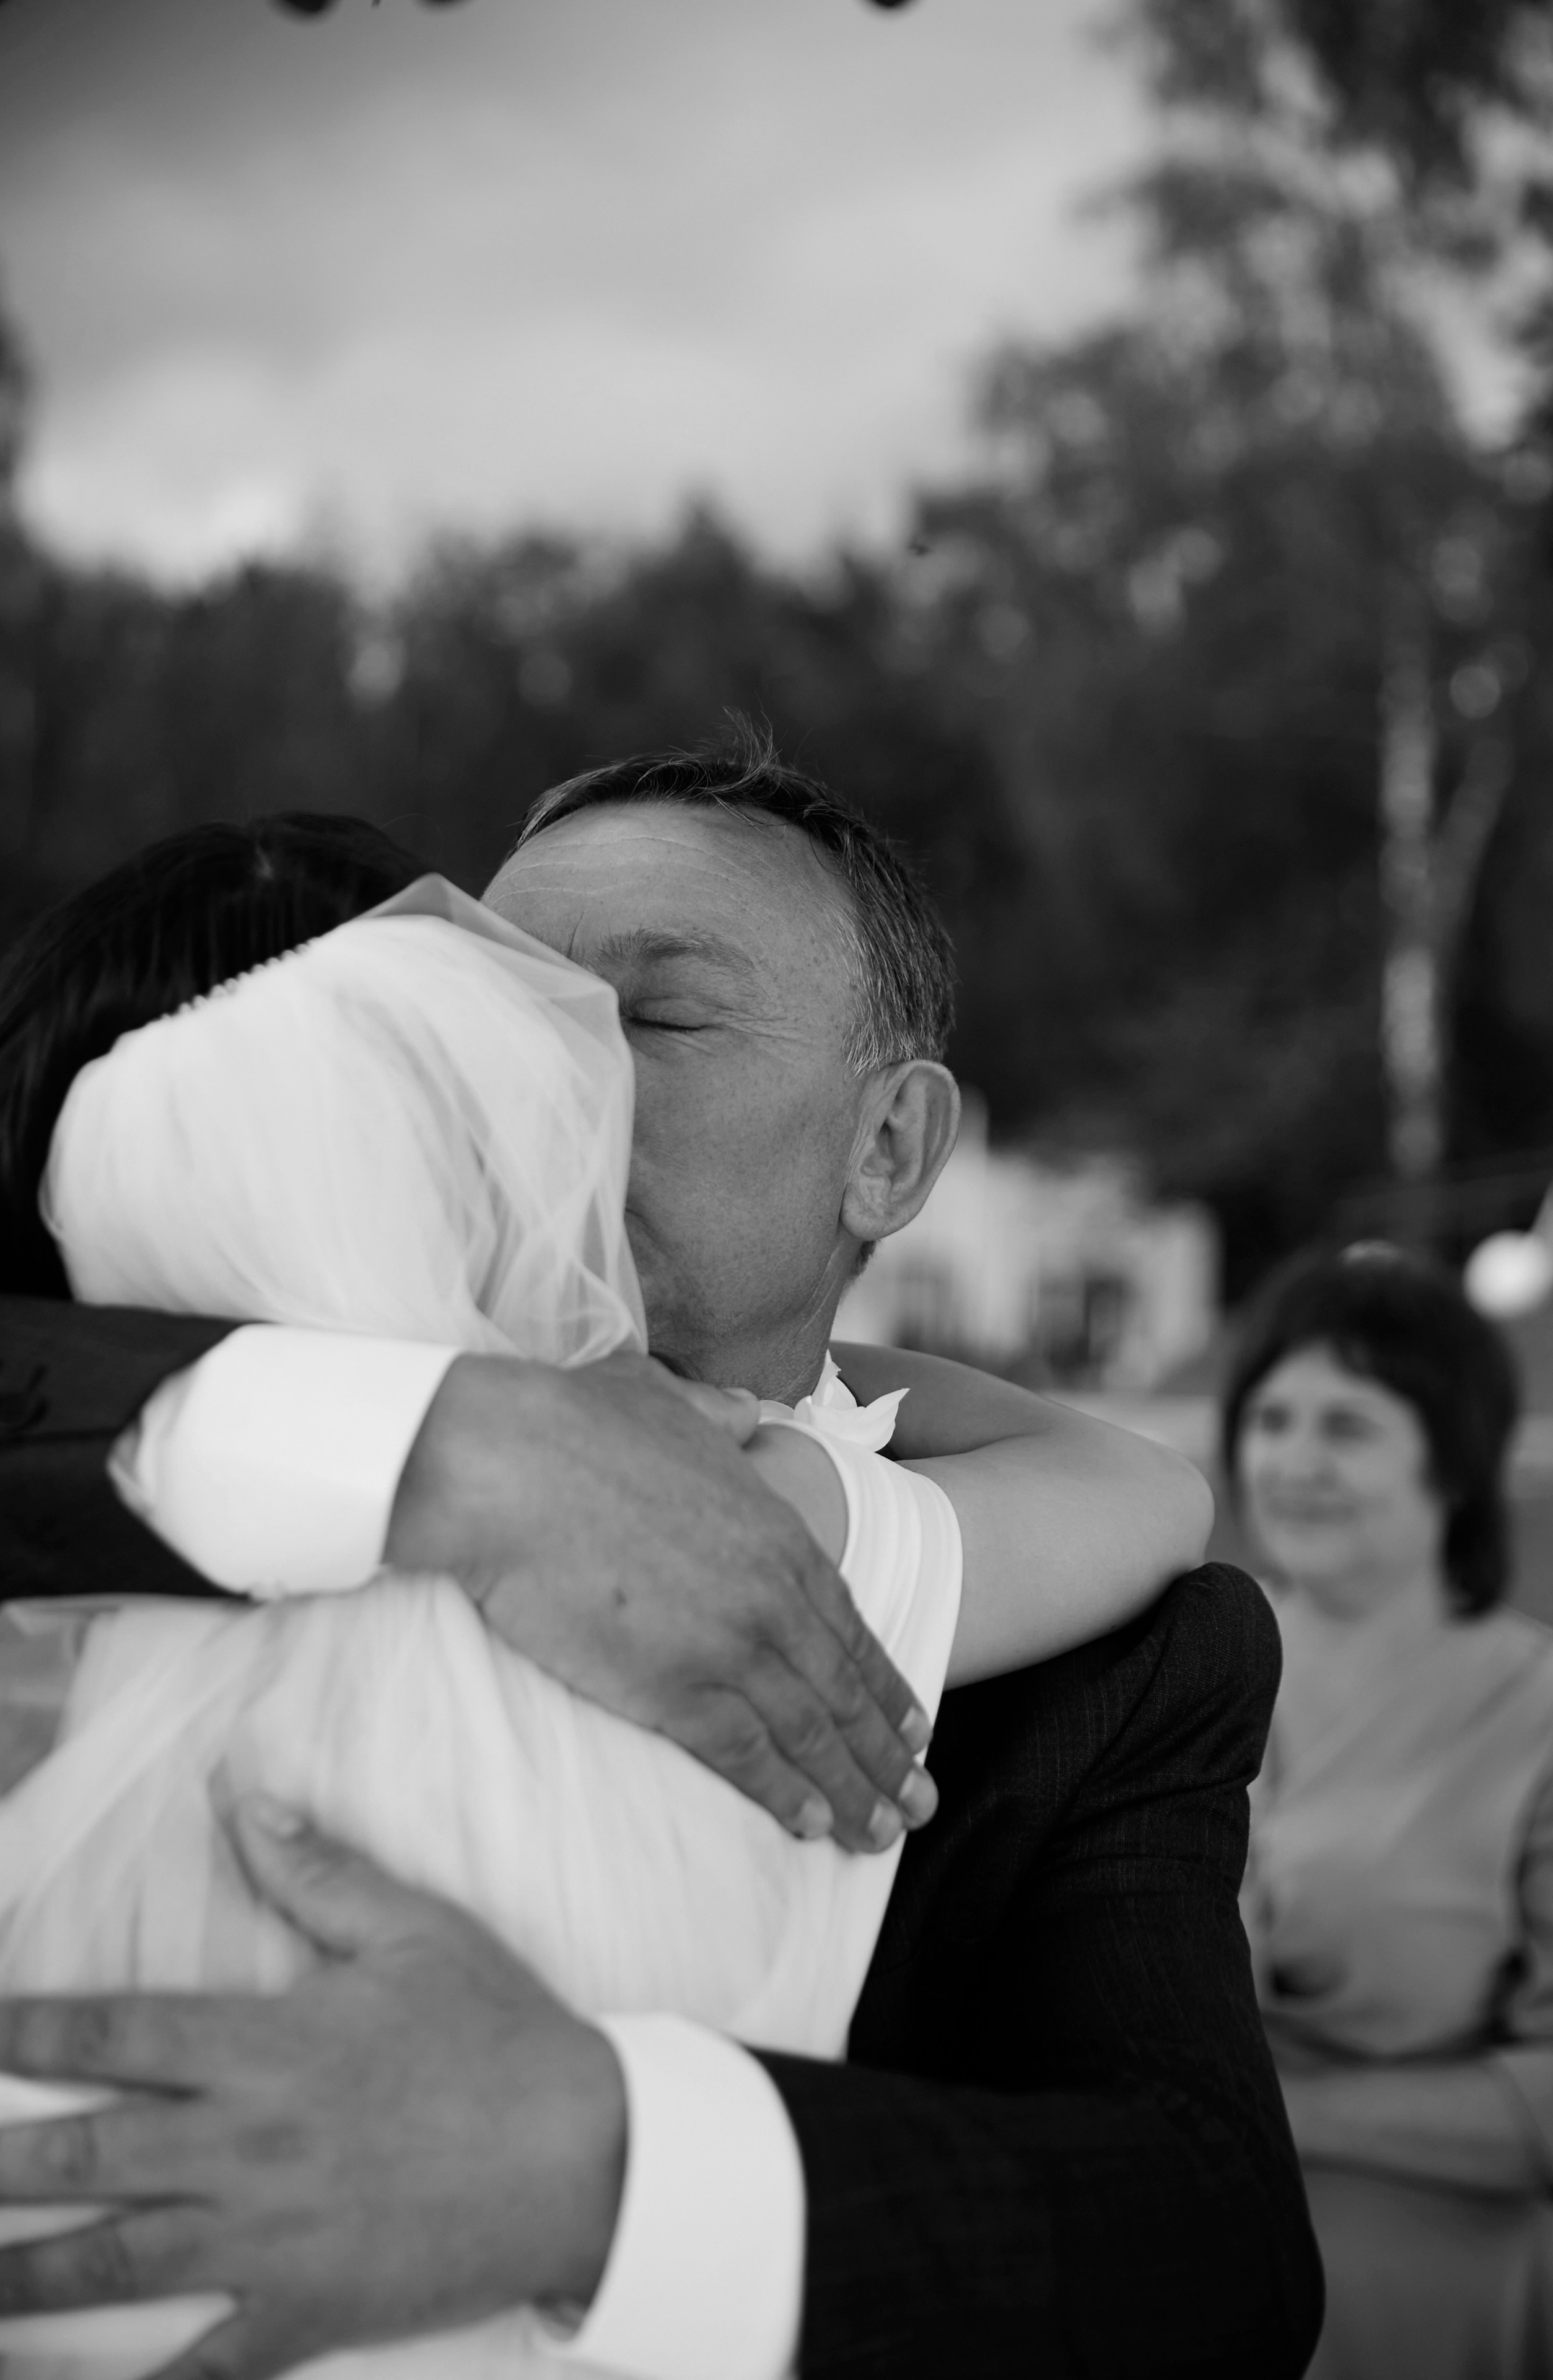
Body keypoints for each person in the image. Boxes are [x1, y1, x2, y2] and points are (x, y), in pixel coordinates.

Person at [0, 741, 1324, 2378]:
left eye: (655, 1014)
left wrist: (604, 2171)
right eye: (481, 1008)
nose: (542, 1073)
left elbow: (1214, 2258)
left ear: (891, 1151)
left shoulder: (1098, 1653)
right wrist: (428, 1448)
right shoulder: (133, 1451)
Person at [1224, 1240, 1553, 2380]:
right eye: (1272, 1418)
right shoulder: (1183, 1669)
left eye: (1348, 1425)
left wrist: (1271, 2112)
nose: (1294, 1460)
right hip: (1182, 2195)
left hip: (1444, 2259)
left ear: (1455, 1460)